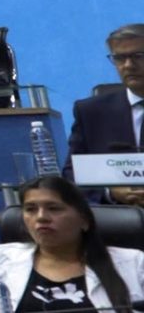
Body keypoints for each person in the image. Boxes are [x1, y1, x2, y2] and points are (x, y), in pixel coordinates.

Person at [0, 174, 144, 312]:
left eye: (54, 208)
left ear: (84, 220)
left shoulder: (133, 262)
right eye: (31, 209)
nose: (41, 217)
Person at [68, 24, 144, 205]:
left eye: (138, 56)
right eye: (119, 58)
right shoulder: (91, 112)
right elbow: (71, 175)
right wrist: (111, 192)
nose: (128, 65)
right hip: (117, 222)